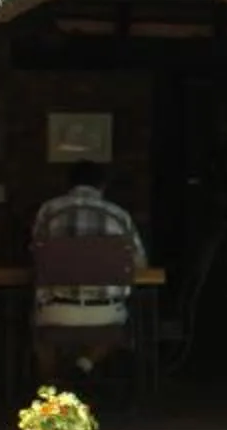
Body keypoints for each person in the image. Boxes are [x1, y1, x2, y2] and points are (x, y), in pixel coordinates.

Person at [31, 162, 146, 384]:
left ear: (69, 184)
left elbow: (37, 257)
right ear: (102, 185)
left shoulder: (48, 211)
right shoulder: (119, 215)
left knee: (37, 327)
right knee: (123, 322)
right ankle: (84, 365)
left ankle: (52, 387)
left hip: (56, 312)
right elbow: (138, 263)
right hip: (107, 313)